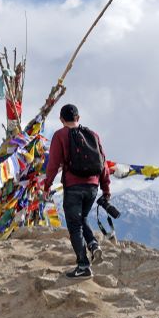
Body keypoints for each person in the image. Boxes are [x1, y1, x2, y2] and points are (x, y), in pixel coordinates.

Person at [42, 104, 111, 278]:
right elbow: (104, 164)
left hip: (73, 187)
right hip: (93, 187)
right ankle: (94, 245)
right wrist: (106, 189)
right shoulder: (93, 135)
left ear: (61, 120)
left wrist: (47, 185)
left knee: (74, 226)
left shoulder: (59, 135)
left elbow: (53, 164)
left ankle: (83, 266)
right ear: (78, 118)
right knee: (82, 218)